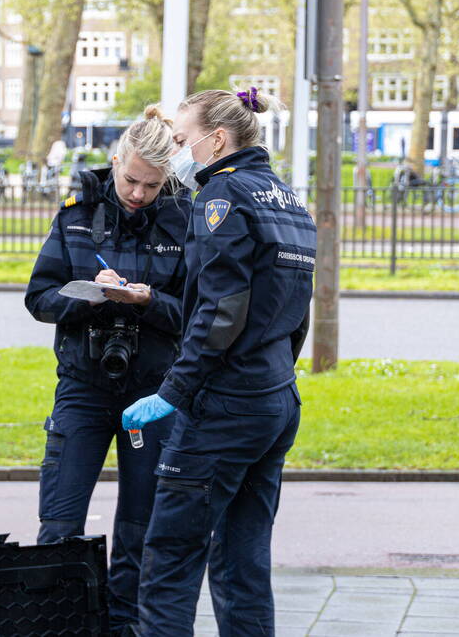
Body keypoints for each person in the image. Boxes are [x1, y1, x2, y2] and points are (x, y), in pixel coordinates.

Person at [122, 87, 317, 636]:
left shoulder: (222, 199)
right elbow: (296, 312)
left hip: (223, 408)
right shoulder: (287, 200)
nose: (176, 152)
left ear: (217, 140)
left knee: (169, 562)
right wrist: (272, 371)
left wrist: (173, 392)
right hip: (275, 398)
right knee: (242, 560)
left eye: (182, 141)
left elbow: (220, 311)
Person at [25, 105, 192, 635]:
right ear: (116, 160)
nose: (138, 193)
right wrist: (90, 299)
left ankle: (125, 628)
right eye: (130, 179)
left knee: (141, 526)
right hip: (84, 386)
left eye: (151, 184)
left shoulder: (184, 218)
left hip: (152, 391)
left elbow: (196, 313)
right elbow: (38, 298)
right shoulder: (76, 213)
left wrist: (147, 302)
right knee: (60, 520)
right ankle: (62, 623)